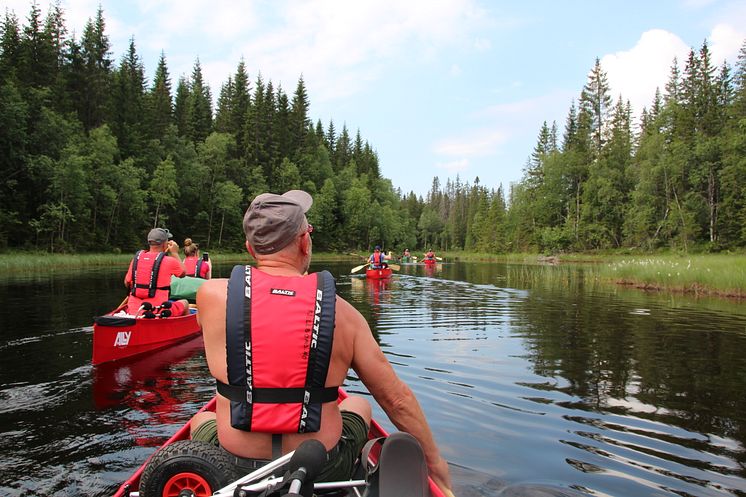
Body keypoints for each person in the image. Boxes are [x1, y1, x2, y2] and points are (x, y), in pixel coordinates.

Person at [190, 190, 453, 495]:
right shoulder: (345, 314)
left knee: (201, 419)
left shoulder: (210, 297)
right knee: (357, 403)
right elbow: (397, 401)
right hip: (322, 467)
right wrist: (436, 465)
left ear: (250, 248)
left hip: (234, 465)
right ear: (304, 241)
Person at [123, 228, 189, 316]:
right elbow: (183, 273)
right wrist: (174, 253)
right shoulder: (169, 261)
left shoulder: (136, 259)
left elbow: (127, 283)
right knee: (185, 303)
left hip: (133, 311)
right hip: (157, 311)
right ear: (165, 243)